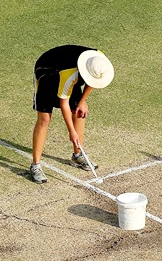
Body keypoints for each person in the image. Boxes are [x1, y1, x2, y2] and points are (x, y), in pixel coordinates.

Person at [30, 45, 114, 183]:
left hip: (71, 70)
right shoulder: (69, 74)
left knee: (79, 112)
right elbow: (64, 103)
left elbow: (93, 79)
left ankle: (77, 155)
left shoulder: (99, 62)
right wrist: (71, 131)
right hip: (47, 71)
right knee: (44, 119)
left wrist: (83, 101)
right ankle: (35, 166)